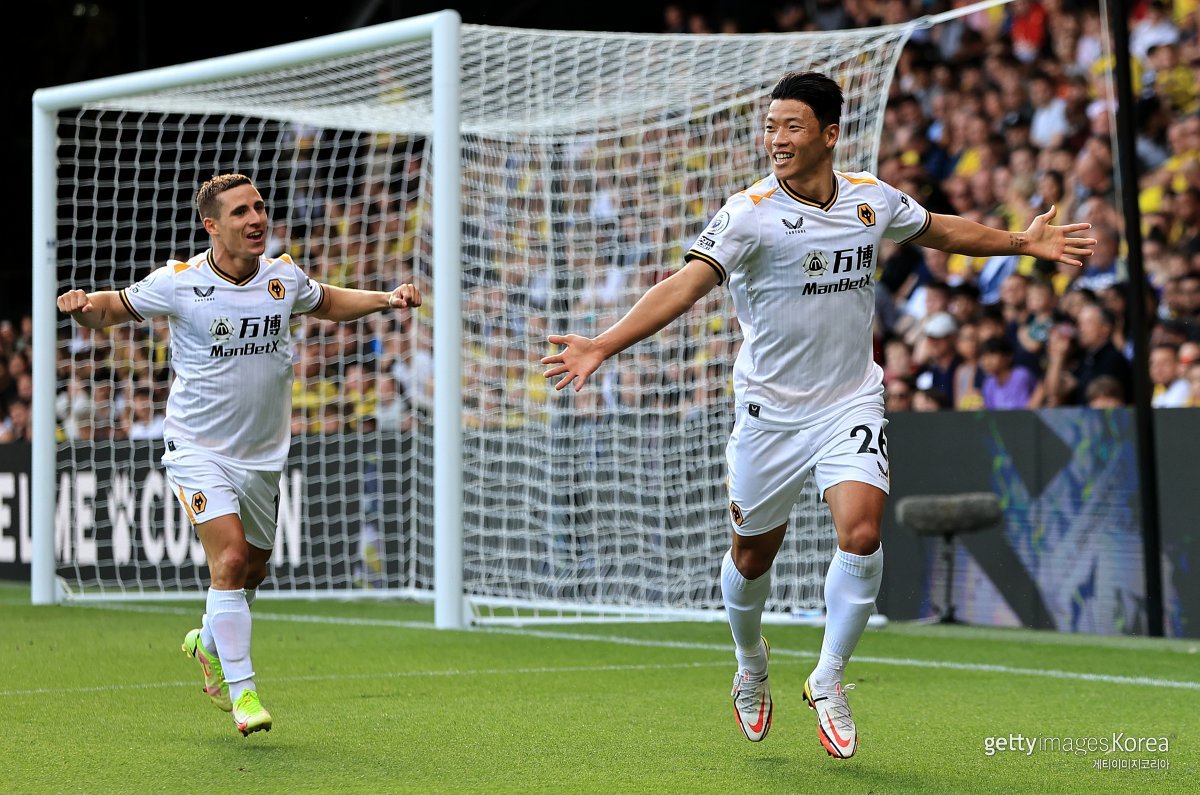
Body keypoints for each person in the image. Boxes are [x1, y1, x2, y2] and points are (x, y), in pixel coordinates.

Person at [541, 71, 1094, 759]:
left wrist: (1021, 243)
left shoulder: (870, 198)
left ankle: (829, 676)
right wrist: (602, 342)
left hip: (848, 400)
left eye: (791, 126)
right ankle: (750, 661)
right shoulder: (747, 213)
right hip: (770, 414)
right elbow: (683, 285)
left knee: (861, 532)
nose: (775, 138)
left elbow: (937, 228)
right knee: (751, 556)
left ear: (829, 134)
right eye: (771, 126)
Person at [56, 173, 422, 737]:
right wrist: (81, 308)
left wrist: (384, 298)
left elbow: (326, 301)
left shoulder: (281, 277)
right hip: (197, 447)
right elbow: (111, 308)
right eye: (240, 213)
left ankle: (207, 637)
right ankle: (243, 691)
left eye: (259, 207)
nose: (256, 219)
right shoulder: (179, 282)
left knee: (253, 570)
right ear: (212, 225)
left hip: (262, 457)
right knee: (227, 561)